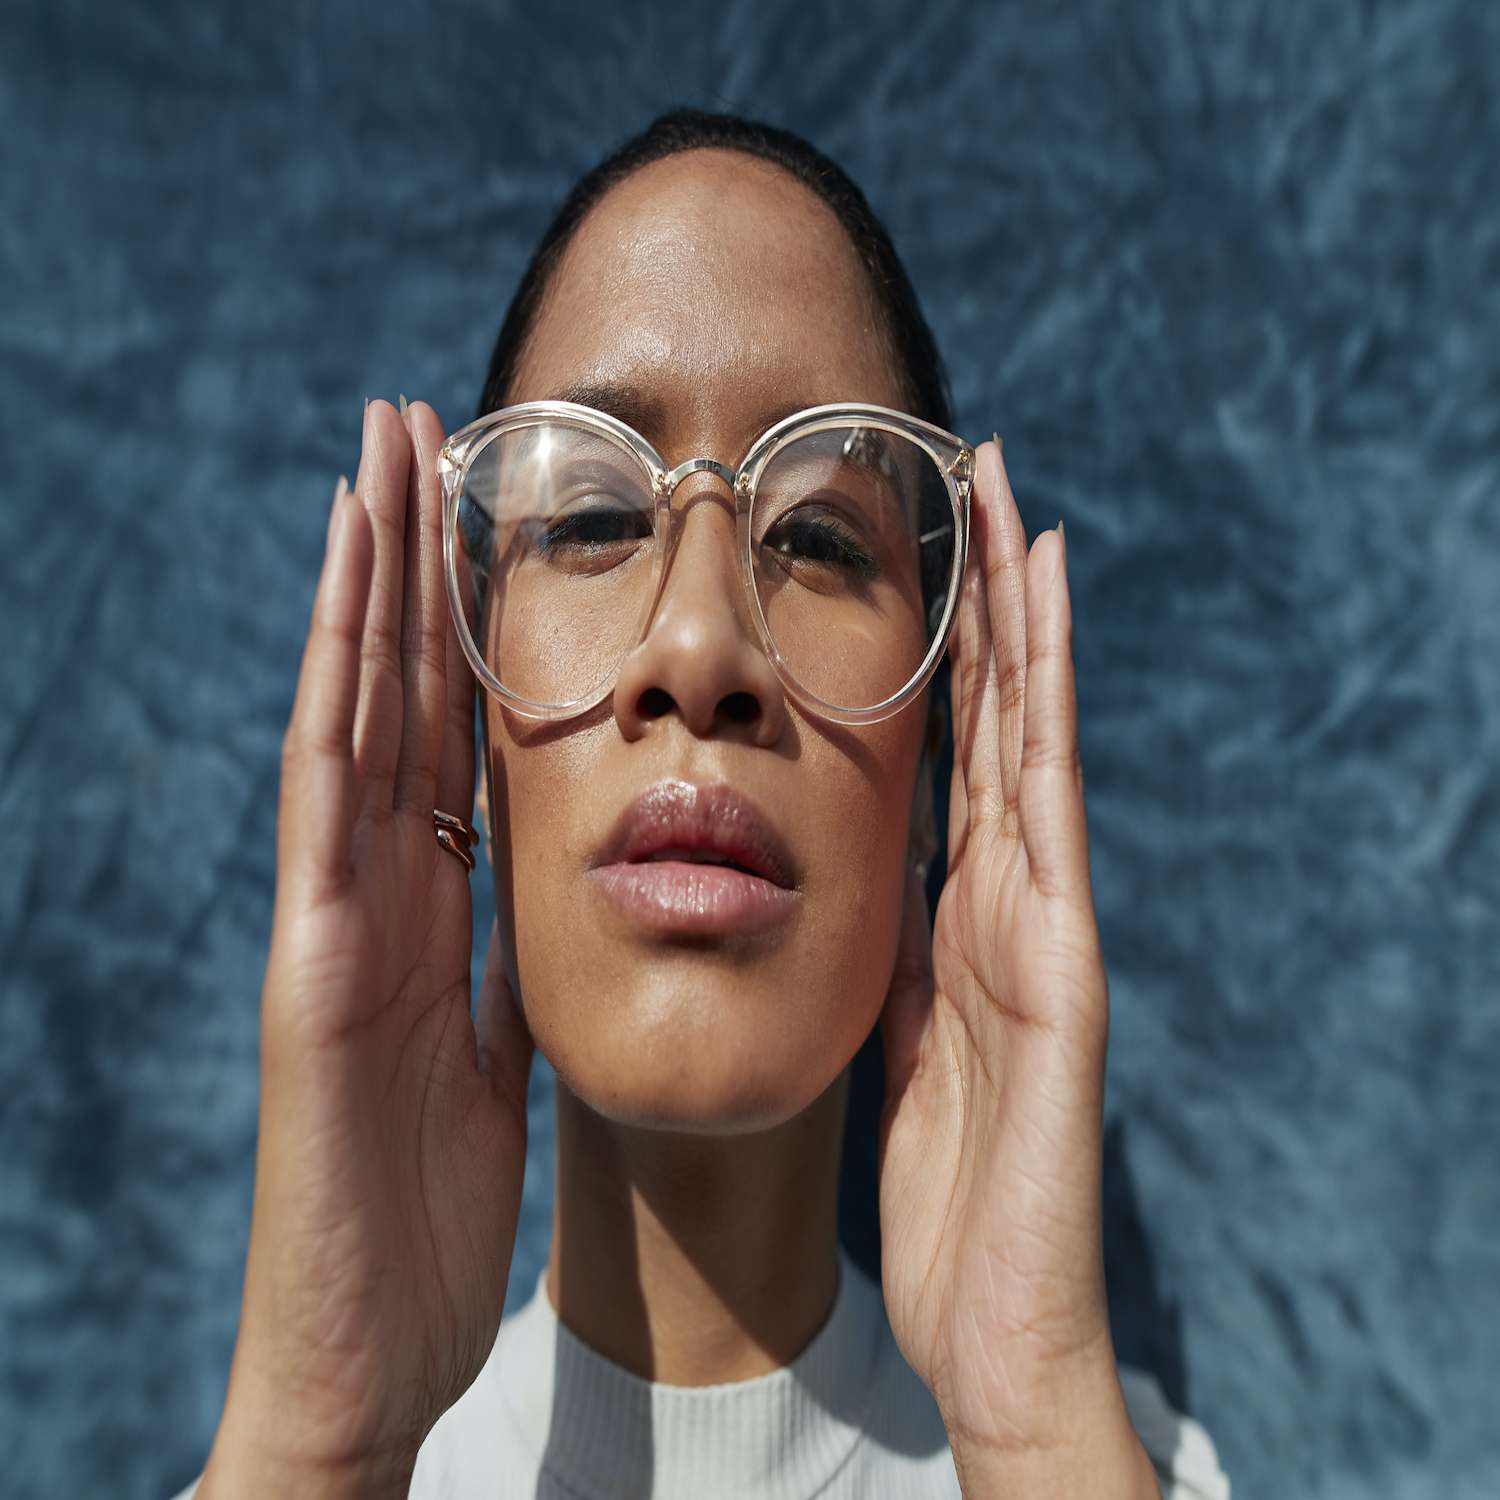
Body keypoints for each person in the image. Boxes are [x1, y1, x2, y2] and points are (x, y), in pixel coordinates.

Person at [172, 110, 1230, 1498]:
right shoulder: (288, 1468)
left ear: (935, 764)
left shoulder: (1112, 1462)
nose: (699, 649)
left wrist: (1031, 1425)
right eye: (597, 518)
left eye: (818, 535)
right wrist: (320, 1445)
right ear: (476, 731)